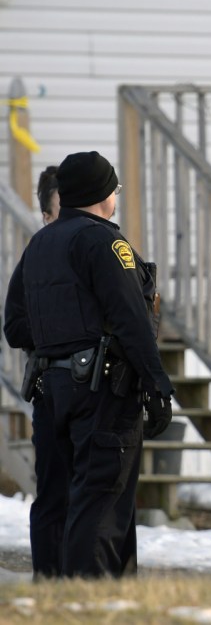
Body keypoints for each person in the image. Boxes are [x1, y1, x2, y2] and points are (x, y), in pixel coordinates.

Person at [4, 151, 174, 578]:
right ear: (104, 193)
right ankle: (92, 601)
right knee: (102, 498)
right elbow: (130, 317)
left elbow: (16, 326)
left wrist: (58, 345)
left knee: (60, 498)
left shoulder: (40, 244)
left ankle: (55, 591)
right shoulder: (104, 242)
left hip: (51, 389)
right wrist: (156, 383)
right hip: (103, 391)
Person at [3, 165, 68, 578]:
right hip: (53, 387)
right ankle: (48, 579)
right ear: (45, 214)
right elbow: (14, 326)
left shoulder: (102, 248)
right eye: (64, 208)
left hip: (101, 392)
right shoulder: (36, 258)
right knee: (53, 491)